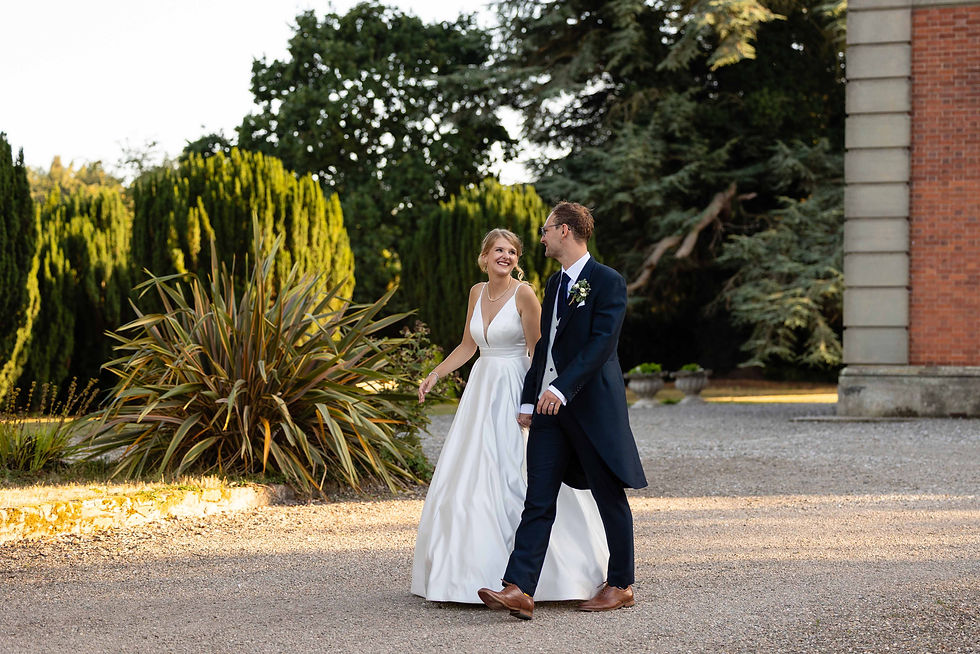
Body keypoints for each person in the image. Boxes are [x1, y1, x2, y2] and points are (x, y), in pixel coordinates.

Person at [411, 228, 608, 604]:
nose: (507, 256)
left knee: (518, 472)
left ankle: (548, 577)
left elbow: (538, 351)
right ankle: (460, 576)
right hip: (481, 390)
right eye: (499, 250)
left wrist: (534, 401)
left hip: (516, 388)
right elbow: (469, 345)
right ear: (484, 257)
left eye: (513, 252)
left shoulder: (525, 294)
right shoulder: (475, 292)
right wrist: (435, 374)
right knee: (470, 473)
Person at [477, 202, 648, 620]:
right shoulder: (553, 284)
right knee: (538, 498)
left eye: (546, 229)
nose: (541, 237)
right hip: (548, 411)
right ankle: (519, 588)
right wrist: (529, 397)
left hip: (590, 408)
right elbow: (545, 348)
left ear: (566, 231)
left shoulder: (607, 281)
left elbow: (601, 345)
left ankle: (621, 584)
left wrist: (561, 388)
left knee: (609, 495)